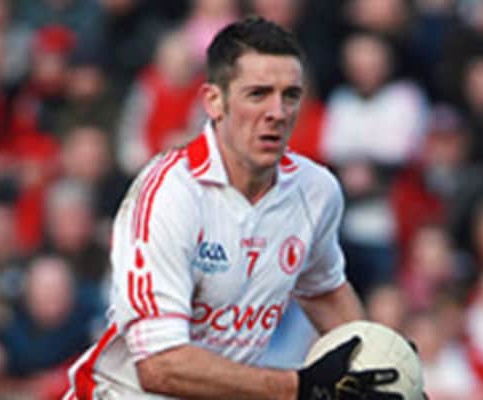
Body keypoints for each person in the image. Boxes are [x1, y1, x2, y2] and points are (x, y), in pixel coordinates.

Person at [64, 17, 403, 400]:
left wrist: (382, 365)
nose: (278, 112)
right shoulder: (171, 193)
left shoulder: (315, 191)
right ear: (214, 101)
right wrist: (298, 387)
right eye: (258, 94)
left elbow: (324, 291)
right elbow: (159, 366)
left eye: (291, 95)